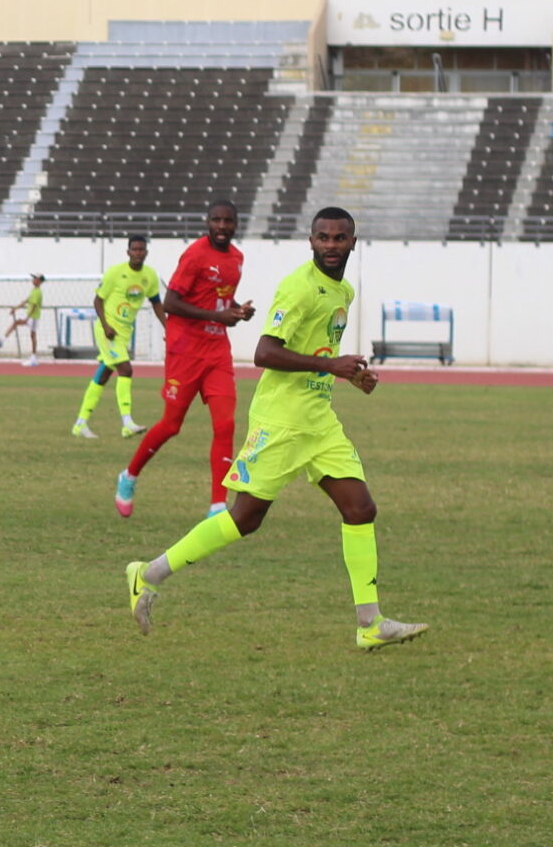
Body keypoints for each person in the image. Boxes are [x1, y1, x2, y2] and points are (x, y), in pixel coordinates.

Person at [126, 209, 427, 652]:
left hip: (319, 421)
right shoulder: (298, 287)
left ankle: (370, 623)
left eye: (339, 238)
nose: (330, 245)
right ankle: (148, 573)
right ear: (310, 241)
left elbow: (321, 350)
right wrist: (331, 365)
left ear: (353, 243)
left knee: (360, 509)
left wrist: (349, 375)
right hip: (282, 421)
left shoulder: (342, 289)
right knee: (246, 518)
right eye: (322, 237)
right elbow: (265, 352)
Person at [116, 201, 253, 519]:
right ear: (207, 222)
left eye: (228, 221)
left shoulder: (237, 259)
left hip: (217, 350)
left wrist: (235, 311)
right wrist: (218, 314)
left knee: (226, 424)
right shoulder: (194, 255)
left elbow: (218, 297)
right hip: (185, 350)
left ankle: (218, 505)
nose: (221, 226)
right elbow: (173, 303)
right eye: (216, 220)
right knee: (171, 425)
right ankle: (129, 476)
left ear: (236, 224)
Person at [74, 235, 161, 440]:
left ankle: (80, 423)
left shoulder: (150, 276)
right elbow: (98, 300)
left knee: (103, 375)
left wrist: (168, 327)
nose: (138, 253)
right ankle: (127, 422)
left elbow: (156, 302)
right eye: (135, 249)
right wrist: (105, 326)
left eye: (142, 250)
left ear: (146, 252)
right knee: (125, 369)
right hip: (108, 331)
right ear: (128, 252)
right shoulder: (116, 273)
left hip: (124, 333)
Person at [0, 274, 46, 364]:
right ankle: (2, 340)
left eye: (35, 278)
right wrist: (15, 308)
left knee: (32, 335)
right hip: (30, 316)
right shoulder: (34, 290)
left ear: (40, 281)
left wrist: (28, 318)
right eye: (33, 278)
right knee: (17, 324)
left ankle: (33, 358)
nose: (33, 280)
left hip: (33, 317)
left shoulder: (38, 292)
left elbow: (34, 305)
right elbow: (26, 301)